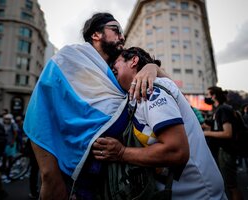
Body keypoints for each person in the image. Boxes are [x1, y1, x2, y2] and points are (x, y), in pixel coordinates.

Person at [24, 12, 165, 199]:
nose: (122, 37)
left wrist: (152, 67)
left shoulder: (118, 73)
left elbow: (169, 90)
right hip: (74, 174)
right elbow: (41, 107)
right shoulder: (69, 59)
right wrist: (49, 173)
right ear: (96, 35)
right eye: (115, 30)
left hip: (114, 180)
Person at [92, 47, 227, 199]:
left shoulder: (151, 90)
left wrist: (121, 153)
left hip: (199, 193)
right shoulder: (137, 94)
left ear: (133, 61)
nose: (111, 69)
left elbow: (177, 151)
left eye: (115, 63)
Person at [203, 86, 243, 200]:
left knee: (231, 186)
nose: (206, 97)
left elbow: (227, 133)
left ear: (213, 96)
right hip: (222, 151)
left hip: (226, 151)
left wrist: (207, 133)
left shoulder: (223, 109)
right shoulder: (218, 109)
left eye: (207, 95)